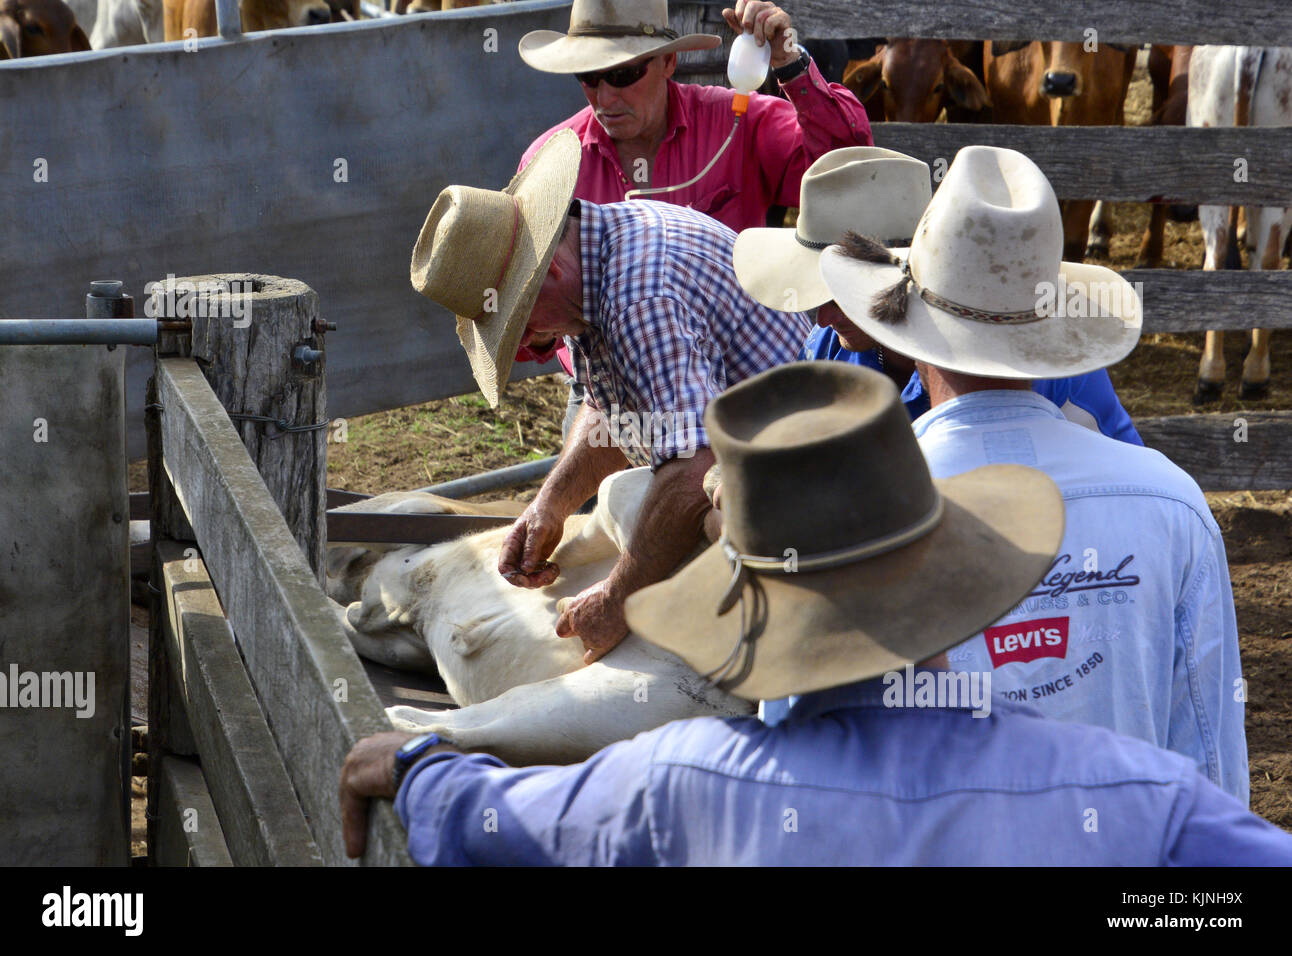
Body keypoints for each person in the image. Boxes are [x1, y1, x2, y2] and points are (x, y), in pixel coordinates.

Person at [338, 362, 1292, 865]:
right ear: (946, 575)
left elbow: (504, 820)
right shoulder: (1122, 798)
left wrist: (419, 769)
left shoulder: (675, 788)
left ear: (745, 602)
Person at [819, 144, 1249, 801]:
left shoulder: (855, 516)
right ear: (1049, 328)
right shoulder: (1171, 503)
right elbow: (1211, 769)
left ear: (909, 326)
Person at [409, 131, 810, 663]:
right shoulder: (598, 254)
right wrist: (549, 504)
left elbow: (694, 467)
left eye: (516, 323)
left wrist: (618, 602)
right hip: (746, 459)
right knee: (626, 497)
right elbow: (616, 408)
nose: (526, 343)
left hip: (804, 490)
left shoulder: (637, 300)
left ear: (546, 273)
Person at [515, 0, 871, 436]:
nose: (606, 97)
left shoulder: (736, 124)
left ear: (669, 62)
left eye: (624, 74)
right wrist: (540, 323)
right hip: (608, 386)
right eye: (588, 77)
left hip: (744, 372)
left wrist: (790, 64)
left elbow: (842, 168)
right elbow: (524, 315)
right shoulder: (550, 166)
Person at [732, 145, 1142, 443]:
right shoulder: (827, 350)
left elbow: (1118, 479)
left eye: (836, 293)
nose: (821, 318)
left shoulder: (1045, 358)